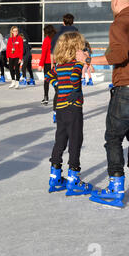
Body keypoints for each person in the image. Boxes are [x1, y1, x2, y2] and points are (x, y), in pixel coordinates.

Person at [77, 0, 129, 208]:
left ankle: (115, 186)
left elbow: (119, 55)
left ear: (115, 2)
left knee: (113, 137)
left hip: (128, 87)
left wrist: (87, 59)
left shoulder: (121, 22)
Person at [46, 32, 94, 197]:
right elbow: (75, 78)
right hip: (73, 108)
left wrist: (58, 85)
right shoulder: (75, 65)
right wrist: (75, 86)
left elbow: (48, 76)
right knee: (75, 140)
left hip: (60, 108)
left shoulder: (59, 65)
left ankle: (55, 176)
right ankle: (74, 178)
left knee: (60, 139)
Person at [38, 24, 56, 105]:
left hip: (48, 63)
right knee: (56, 80)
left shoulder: (47, 40)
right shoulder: (57, 39)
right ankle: (59, 96)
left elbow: (44, 53)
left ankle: (46, 98)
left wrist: (40, 64)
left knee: (46, 81)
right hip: (56, 63)